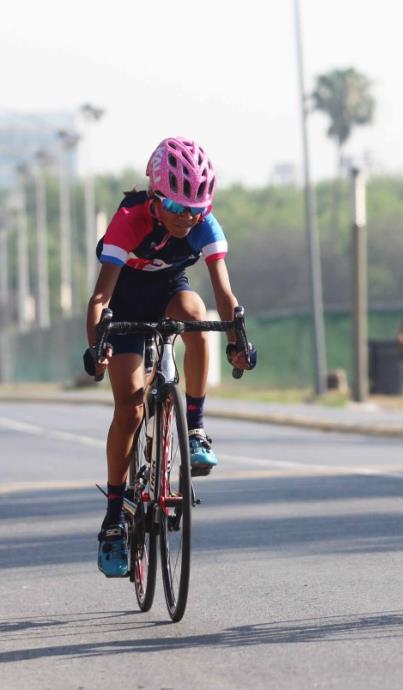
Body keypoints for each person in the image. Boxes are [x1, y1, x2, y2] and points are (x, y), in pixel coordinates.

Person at [84, 137, 255, 578]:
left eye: (196, 209)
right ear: (155, 198)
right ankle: (113, 519)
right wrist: (97, 346)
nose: (186, 218)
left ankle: (194, 428)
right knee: (130, 408)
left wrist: (237, 341)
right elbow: (100, 298)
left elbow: (224, 293)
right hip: (125, 302)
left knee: (197, 316)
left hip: (168, 291)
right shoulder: (129, 220)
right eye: (177, 207)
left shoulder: (204, 225)